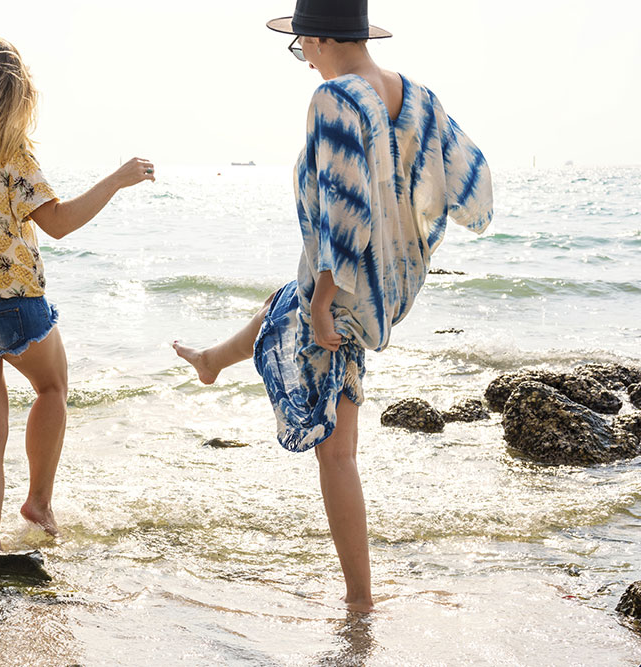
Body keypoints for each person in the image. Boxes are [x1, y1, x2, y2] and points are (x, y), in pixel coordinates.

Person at [174, 0, 493, 612]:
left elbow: (344, 211)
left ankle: (360, 603)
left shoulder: (334, 99)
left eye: (301, 47)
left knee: (337, 452)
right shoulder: (418, 96)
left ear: (318, 38)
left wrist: (325, 299)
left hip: (343, 287)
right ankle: (213, 359)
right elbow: (469, 184)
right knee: (282, 307)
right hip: (386, 282)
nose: (305, 60)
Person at [0, 37, 154, 563]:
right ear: (13, 98)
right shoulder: (12, 155)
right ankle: (39, 504)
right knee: (52, 387)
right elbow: (61, 224)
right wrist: (117, 179)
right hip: (14, 305)